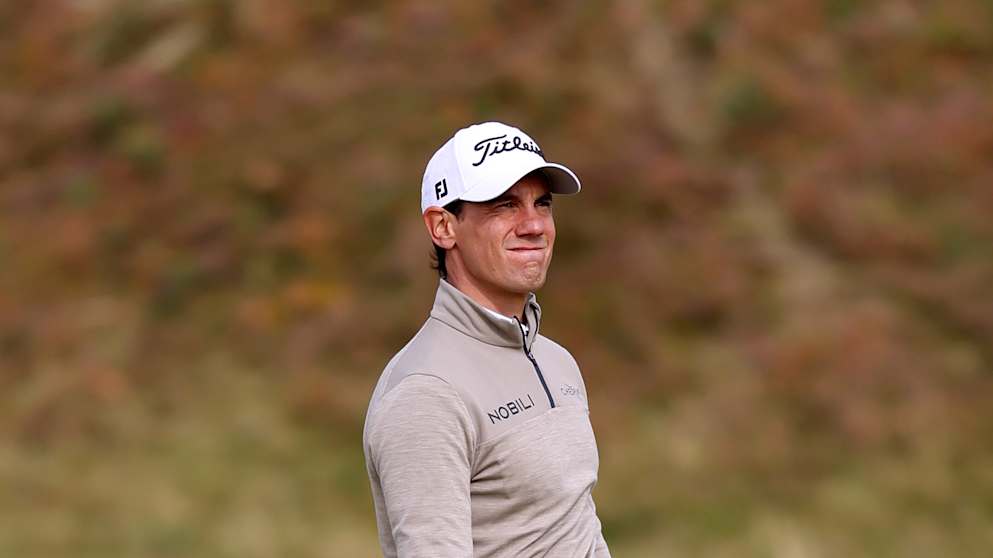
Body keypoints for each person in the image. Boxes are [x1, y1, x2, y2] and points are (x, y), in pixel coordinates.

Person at [363, 121, 610, 557]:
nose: (534, 225)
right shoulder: (425, 394)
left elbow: (581, 532)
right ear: (443, 227)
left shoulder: (556, 361)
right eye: (504, 205)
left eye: (542, 203)